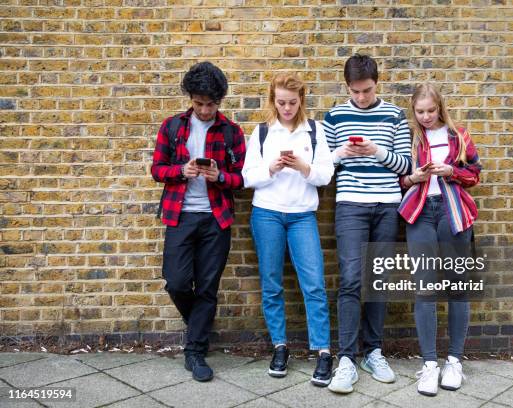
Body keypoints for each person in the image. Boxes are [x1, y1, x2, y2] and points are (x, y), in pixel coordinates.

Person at [151, 62, 246, 382]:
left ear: (220, 101)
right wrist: (181, 171)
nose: (205, 110)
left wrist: (220, 176)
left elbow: (242, 178)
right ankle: (200, 326)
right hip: (180, 215)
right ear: (190, 99)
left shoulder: (231, 132)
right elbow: (156, 170)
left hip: (215, 218)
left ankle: (195, 351)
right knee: (176, 281)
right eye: (199, 103)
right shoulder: (172, 127)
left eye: (211, 104)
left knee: (207, 287)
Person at [323, 54, 412, 394]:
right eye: (355, 91)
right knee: (349, 279)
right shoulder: (335, 116)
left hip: (387, 205)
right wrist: (341, 153)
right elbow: (324, 167)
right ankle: (346, 358)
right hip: (350, 205)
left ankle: (373, 351)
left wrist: (375, 150)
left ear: (378, 82)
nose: (361, 97)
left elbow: (404, 165)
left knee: (379, 280)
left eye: (367, 90)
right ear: (346, 86)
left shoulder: (394, 115)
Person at [242, 73, 335, 386]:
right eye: (281, 102)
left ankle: (323, 351)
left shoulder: (314, 131)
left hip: (301, 216)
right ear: (273, 100)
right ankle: (279, 347)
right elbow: (247, 176)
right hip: (266, 213)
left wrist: (302, 167)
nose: (286, 108)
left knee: (314, 284)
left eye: (292, 102)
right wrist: (272, 168)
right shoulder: (263, 132)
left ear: (301, 100)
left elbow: (325, 174)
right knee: (271, 283)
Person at [398, 82, 481, 396]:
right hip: (420, 213)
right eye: (420, 111)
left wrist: (451, 171)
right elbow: (400, 179)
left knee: (457, 286)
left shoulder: (457, 136)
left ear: (440, 107)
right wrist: (414, 177)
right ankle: (429, 364)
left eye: (431, 110)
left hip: (453, 213)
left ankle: (454, 361)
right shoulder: (410, 137)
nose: (426, 116)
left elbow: (474, 174)